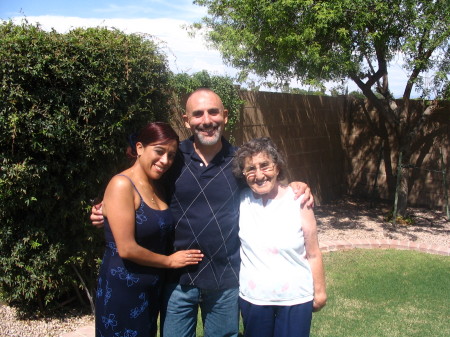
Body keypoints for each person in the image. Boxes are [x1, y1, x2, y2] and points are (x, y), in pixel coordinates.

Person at [91, 88, 314, 337]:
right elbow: (141, 186)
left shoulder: (240, 161)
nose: (206, 120)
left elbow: (265, 181)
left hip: (225, 282)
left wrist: (296, 185)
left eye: (213, 112)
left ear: (225, 116)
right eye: (198, 114)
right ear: (187, 120)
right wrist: (107, 208)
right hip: (177, 281)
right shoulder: (173, 157)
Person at [95, 122, 203, 337]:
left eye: (171, 155)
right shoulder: (121, 185)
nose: (165, 161)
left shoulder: (158, 185)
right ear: (139, 148)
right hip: (122, 288)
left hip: (150, 289)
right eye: (159, 151)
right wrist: (170, 261)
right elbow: (126, 248)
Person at [232, 137, 327, 337]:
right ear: (243, 174)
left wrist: (319, 290)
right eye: (250, 169)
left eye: (265, 166)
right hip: (254, 298)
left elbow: (313, 252)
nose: (259, 175)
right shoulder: (240, 201)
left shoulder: (298, 200)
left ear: (277, 167)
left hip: (295, 298)